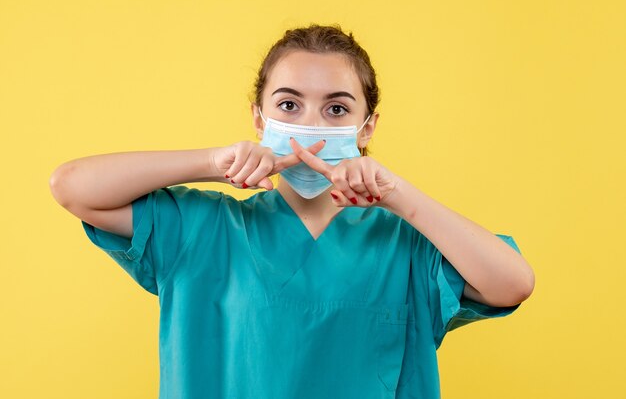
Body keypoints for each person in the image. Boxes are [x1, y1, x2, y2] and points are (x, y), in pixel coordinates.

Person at [49, 24, 534, 399]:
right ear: (259, 118)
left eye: (337, 109)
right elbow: (72, 187)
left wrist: (398, 196)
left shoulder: (404, 244)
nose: (311, 127)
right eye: (289, 105)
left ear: (367, 128)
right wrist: (212, 163)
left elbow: (513, 282)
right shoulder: (203, 229)